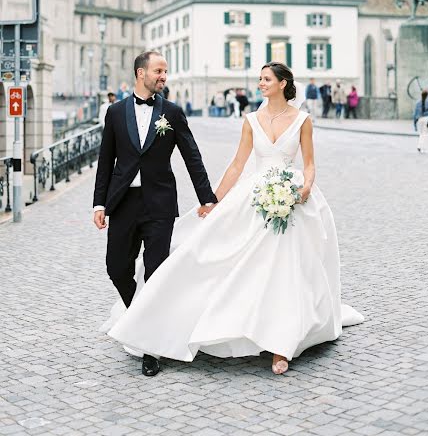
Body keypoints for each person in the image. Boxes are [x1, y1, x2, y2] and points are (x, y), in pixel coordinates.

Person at [106, 61, 364, 376]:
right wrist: (212, 201)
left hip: (292, 198)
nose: (260, 83)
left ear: (283, 83)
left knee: (288, 267)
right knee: (232, 259)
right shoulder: (251, 120)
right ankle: (231, 323)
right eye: (259, 79)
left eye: (266, 79)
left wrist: (306, 187)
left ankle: (282, 343)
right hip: (255, 197)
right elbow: (237, 166)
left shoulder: (303, 121)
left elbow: (309, 164)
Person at [93, 51, 217, 377]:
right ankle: (139, 315)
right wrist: (99, 204)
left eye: (165, 72)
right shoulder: (116, 112)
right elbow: (106, 161)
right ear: (140, 73)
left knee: (155, 273)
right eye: (158, 71)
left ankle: (150, 346)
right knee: (116, 267)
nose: (164, 76)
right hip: (123, 204)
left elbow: (192, 156)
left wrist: (207, 198)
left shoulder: (172, 113)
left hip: (159, 205)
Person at [413, 89, 428, 153]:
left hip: (420, 119)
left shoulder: (417, 102)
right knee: (426, 134)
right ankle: (424, 148)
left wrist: (415, 125)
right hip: (427, 118)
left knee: (421, 134)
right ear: (427, 95)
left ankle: (419, 146)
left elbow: (415, 114)